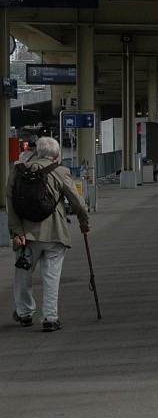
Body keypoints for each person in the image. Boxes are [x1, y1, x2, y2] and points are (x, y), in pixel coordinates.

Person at [7, 136, 90, 332]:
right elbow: (77, 202)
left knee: (23, 276)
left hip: (26, 235)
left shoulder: (17, 171)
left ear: (36, 152)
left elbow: (10, 204)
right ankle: (50, 318)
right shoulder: (61, 172)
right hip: (54, 233)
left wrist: (16, 232)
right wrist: (84, 222)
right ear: (57, 155)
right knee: (51, 277)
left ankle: (25, 314)